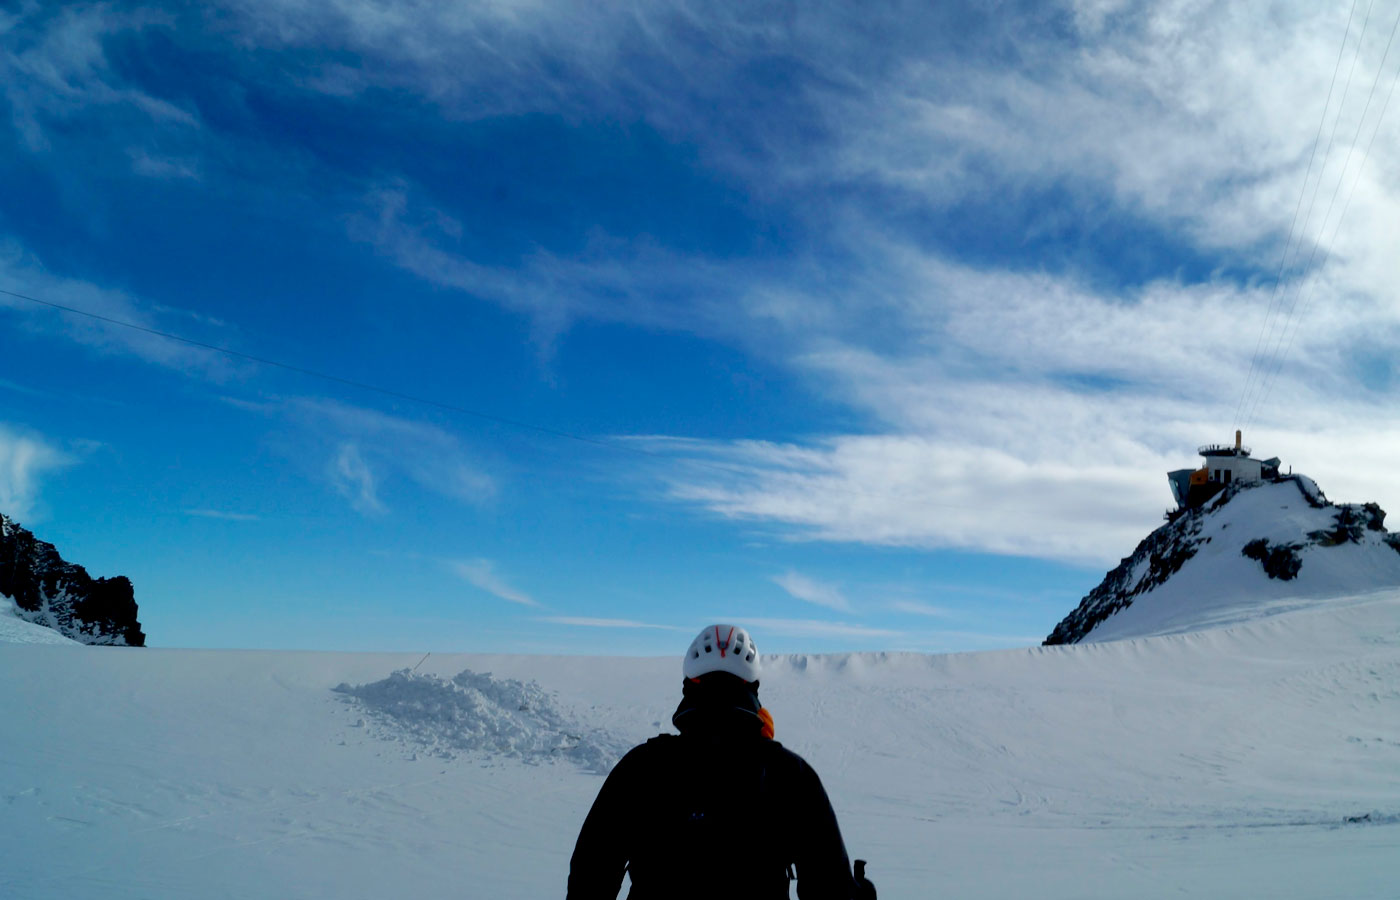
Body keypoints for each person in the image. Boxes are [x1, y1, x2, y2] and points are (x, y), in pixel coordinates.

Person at [567, 624, 876, 899]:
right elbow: (831, 891)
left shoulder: (641, 767)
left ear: (689, 686)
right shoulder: (789, 774)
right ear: (753, 688)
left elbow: (590, 874)